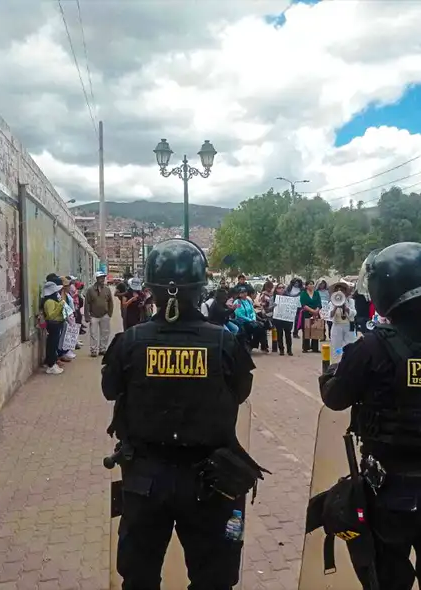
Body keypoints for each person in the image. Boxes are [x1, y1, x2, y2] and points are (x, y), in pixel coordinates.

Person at [102, 239, 260, 590]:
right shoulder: (224, 342)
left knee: (139, 577)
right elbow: (240, 392)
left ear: (151, 290)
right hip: (210, 479)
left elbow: (110, 390)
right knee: (213, 580)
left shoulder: (130, 341)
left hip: (145, 478)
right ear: (201, 287)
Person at [318, 242, 421, 590]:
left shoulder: (374, 346)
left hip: (391, 492)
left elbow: (335, 398)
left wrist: (331, 372)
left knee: (387, 581)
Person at [85, 271, 114, 357]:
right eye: (100, 278)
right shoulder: (90, 290)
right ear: (96, 279)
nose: (102, 279)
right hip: (93, 315)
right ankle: (93, 350)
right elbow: (87, 303)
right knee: (93, 334)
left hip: (105, 314)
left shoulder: (107, 289)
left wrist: (109, 313)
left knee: (105, 333)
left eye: (103, 277)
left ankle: (103, 349)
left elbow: (110, 302)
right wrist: (87, 316)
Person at [41, 279, 65, 375]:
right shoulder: (49, 302)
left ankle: (51, 363)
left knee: (53, 344)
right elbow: (51, 315)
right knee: (52, 345)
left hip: (56, 325)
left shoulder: (51, 301)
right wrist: (60, 306)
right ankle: (51, 365)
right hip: (53, 325)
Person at [300, 279, 322, 353]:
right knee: (306, 330)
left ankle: (315, 347)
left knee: (315, 330)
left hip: (316, 313)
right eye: (309, 284)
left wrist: (316, 310)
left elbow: (319, 303)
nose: (311, 285)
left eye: (312, 284)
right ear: (306, 286)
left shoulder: (316, 293)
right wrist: (312, 311)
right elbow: (303, 304)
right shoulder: (303, 294)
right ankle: (306, 347)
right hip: (307, 313)